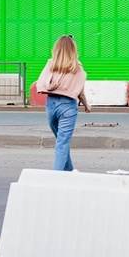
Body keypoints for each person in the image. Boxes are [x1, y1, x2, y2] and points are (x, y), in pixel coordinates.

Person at [36, 35, 91, 171]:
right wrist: (86, 105)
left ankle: (69, 172)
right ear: (73, 49)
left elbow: (41, 83)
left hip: (50, 104)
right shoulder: (77, 67)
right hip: (67, 106)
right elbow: (81, 93)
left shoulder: (51, 64)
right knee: (62, 143)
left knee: (61, 142)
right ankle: (57, 177)